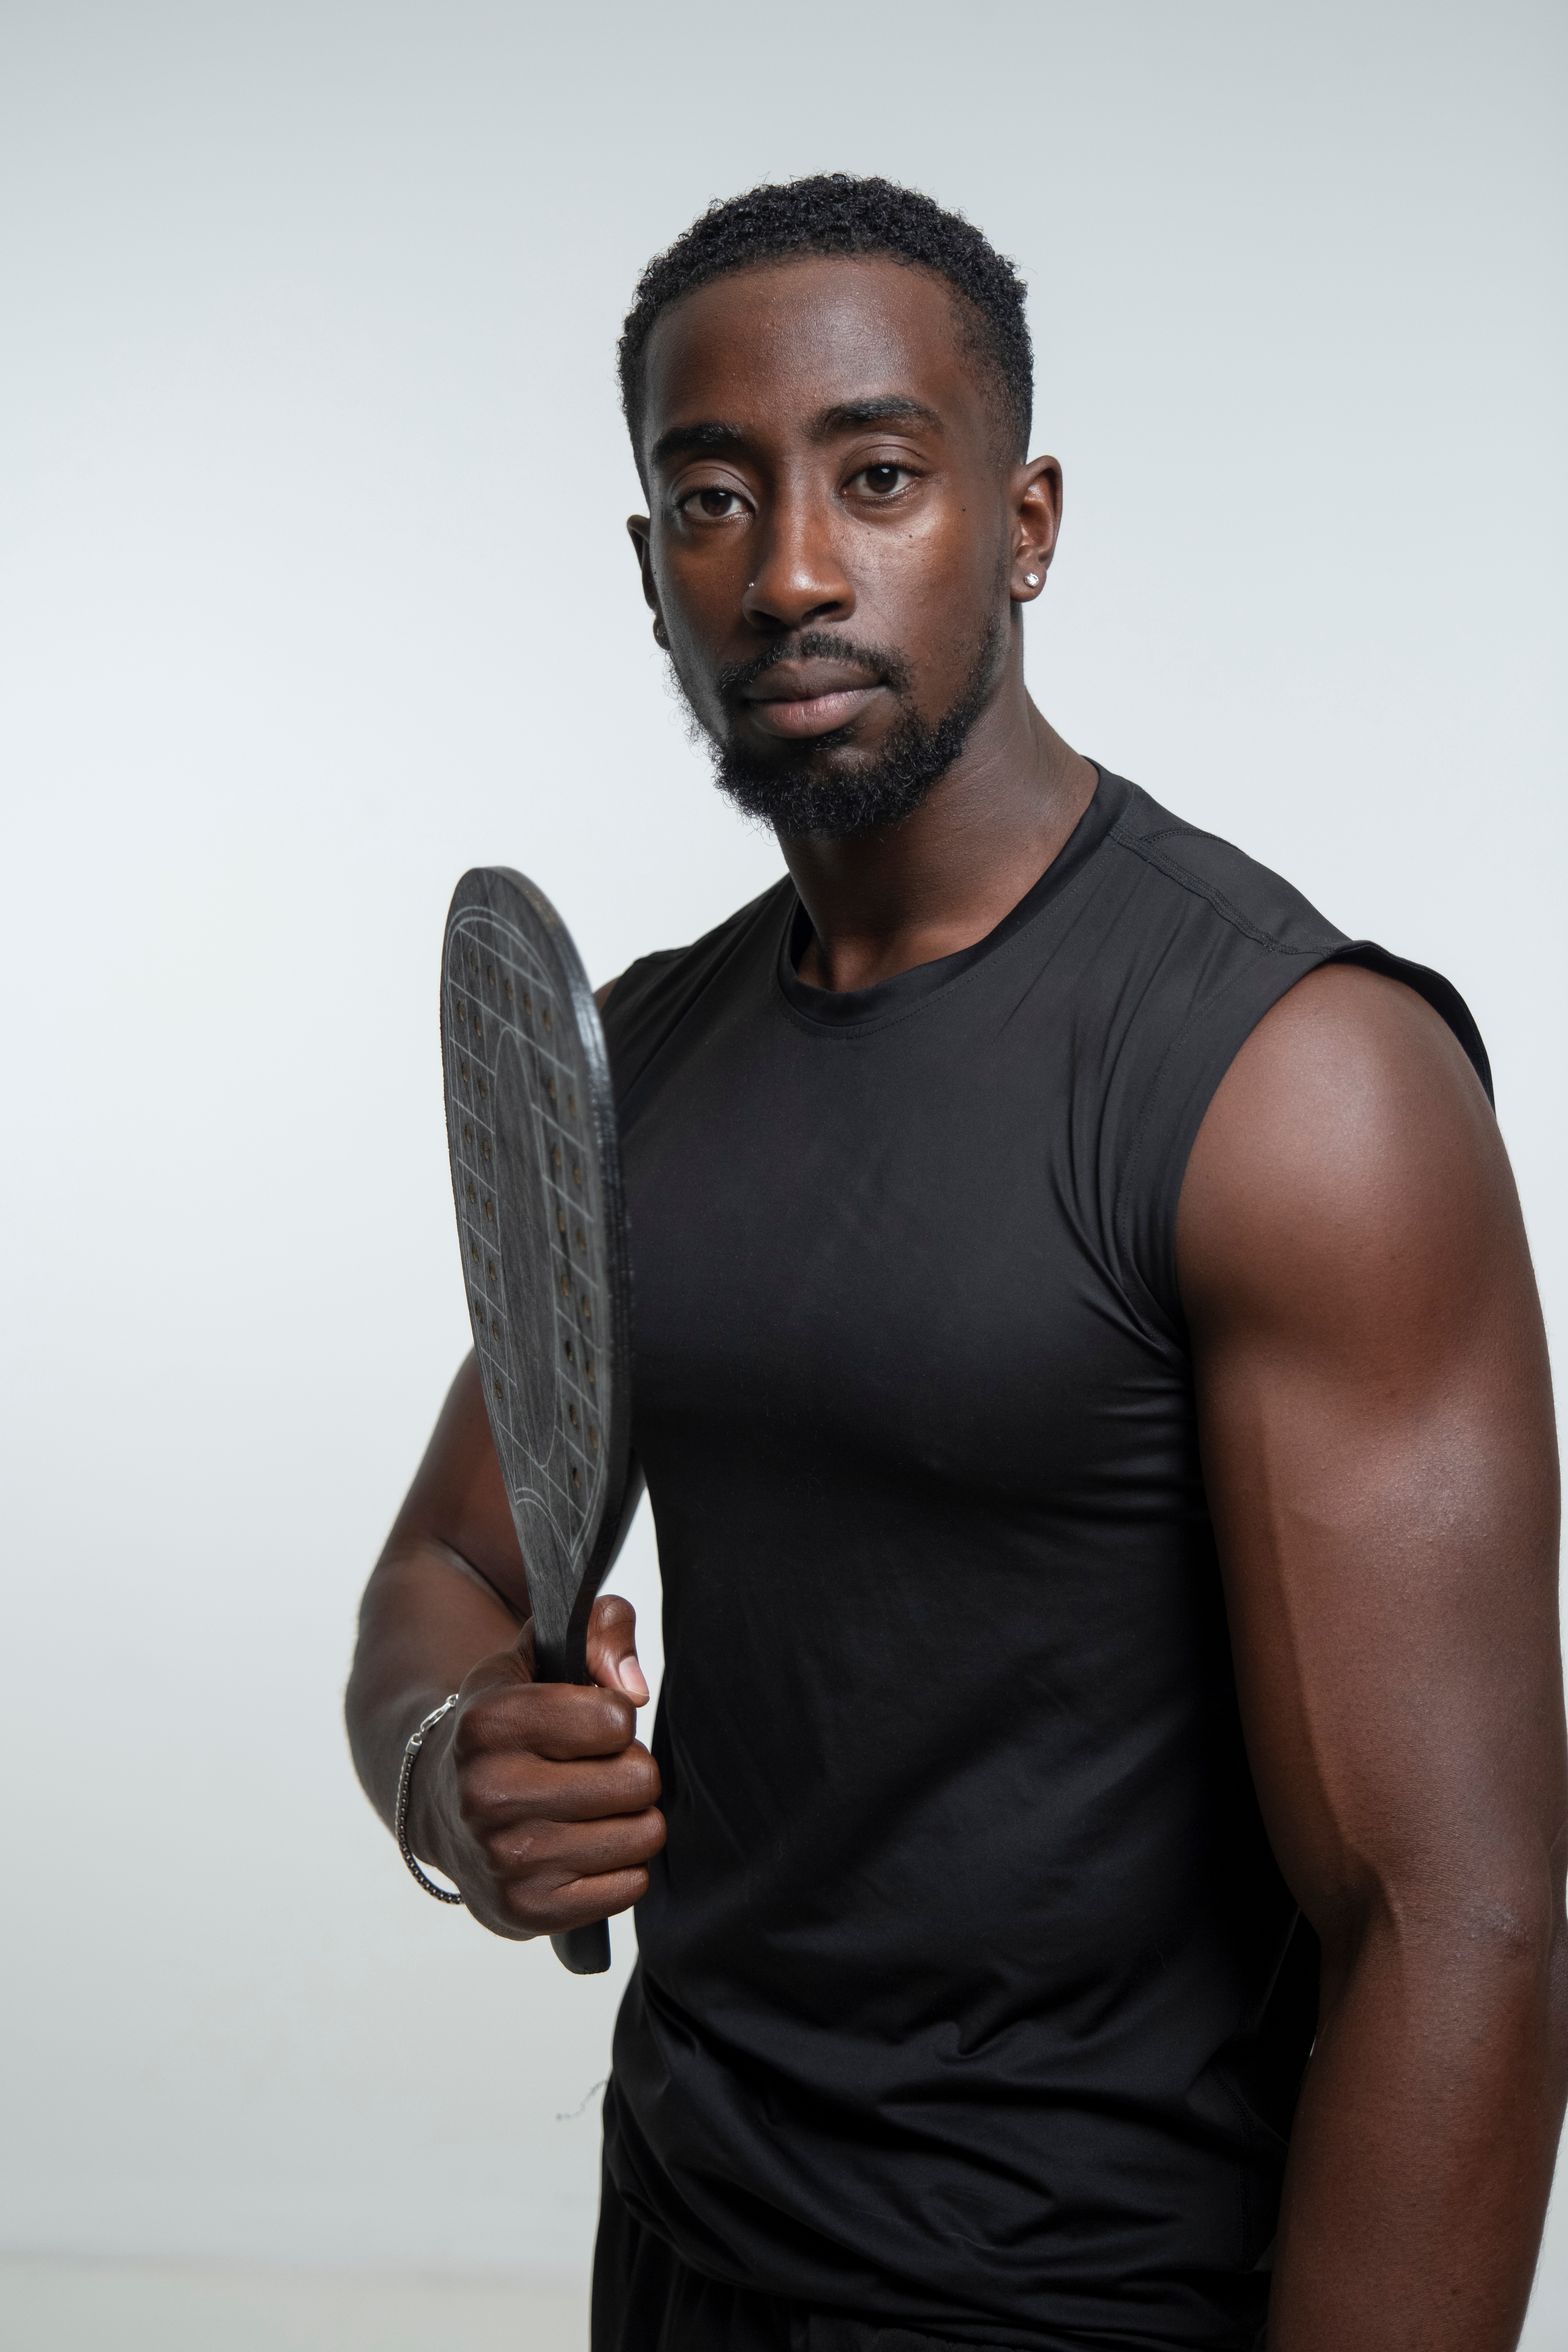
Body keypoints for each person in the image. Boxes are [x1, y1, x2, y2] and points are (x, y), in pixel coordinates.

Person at [346, 176, 1566, 2352]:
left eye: (880, 476)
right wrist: (458, 1762)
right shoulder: (642, 1057)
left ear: (1025, 523)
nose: (794, 568)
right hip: (683, 2252)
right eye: (712, 497)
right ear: (651, 573)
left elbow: (1454, 1917)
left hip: (1087, 2301)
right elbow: (446, 1564)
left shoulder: (1300, 1085)